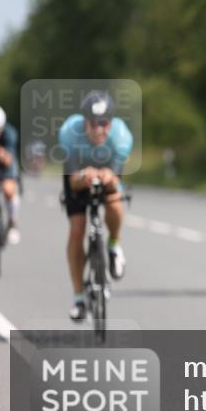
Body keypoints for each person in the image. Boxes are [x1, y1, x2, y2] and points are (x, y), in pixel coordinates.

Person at [59, 91, 133, 321]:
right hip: (79, 174)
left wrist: (108, 177)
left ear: (111, 123)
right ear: (85, 122)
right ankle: (79, 298)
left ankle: (114, 245)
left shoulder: (121, 136)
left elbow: (116, 178)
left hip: (107, 172)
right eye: (94, 123)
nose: (100, 129)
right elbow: (72, 180)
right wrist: (83, 177)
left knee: (114, 201)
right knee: (77, 229)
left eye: (105, 123)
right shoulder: (69, 133)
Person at [0, 106, 21, 244]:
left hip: (6, 164)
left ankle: (12, 221)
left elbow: (8, 159)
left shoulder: (10, 133)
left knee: (9, 189)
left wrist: (1, 155)